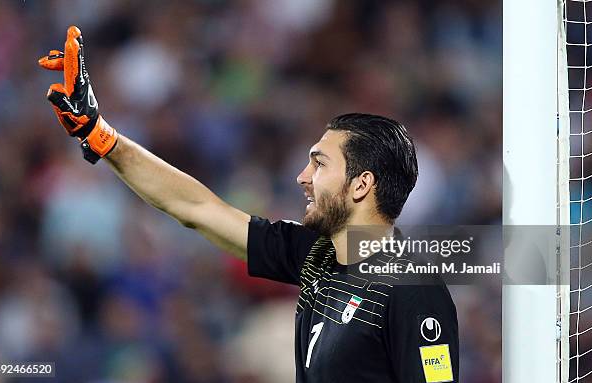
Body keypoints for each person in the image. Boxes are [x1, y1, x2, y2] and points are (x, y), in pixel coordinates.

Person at [39, 26, 459, 383]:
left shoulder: (412, 290)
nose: (302, 177)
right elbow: (195, 207)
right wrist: (101, 136)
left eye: (319, 163)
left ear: (361, 184)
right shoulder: (314, 258)